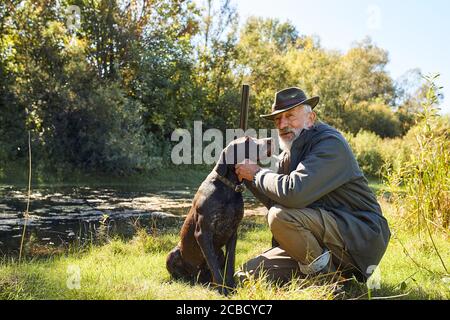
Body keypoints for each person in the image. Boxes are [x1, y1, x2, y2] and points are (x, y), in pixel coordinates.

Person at [235, 87, 390, 283]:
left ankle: (327, 284)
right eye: (277, 119)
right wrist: (245, 173)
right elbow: (276, 197)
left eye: (290, 116)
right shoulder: (289, 154)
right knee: (244, 276)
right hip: (319, 239)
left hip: (357, 235)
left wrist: (256, 173)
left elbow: (293, 193)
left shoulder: (330, 143)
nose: (282, 124)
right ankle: (328, 273)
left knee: (280, 216)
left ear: (311, 118)